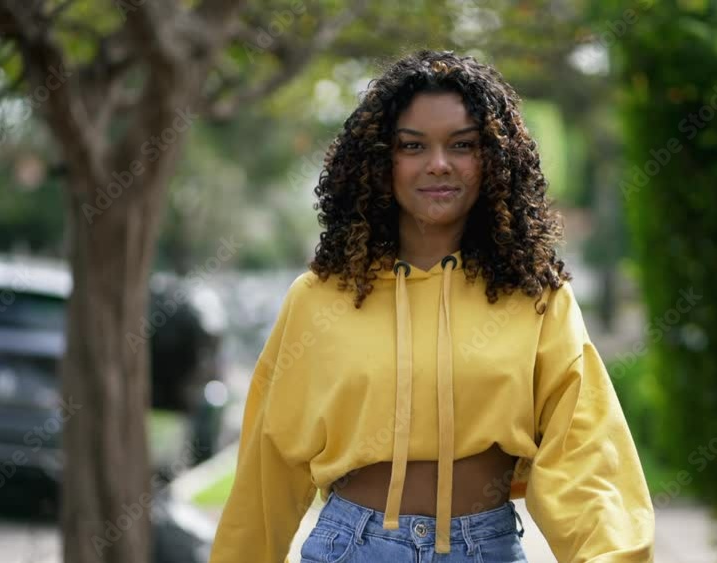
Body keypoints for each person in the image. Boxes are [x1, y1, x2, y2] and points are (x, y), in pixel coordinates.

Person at [208, 50, 654, 563]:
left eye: (461, 145)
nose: (438, 164)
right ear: (381, 159)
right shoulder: (319, 298)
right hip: (349, 547)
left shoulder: (537, 296)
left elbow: (585, 454)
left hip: (485, 548)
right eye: (412, 146)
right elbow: (269, 468)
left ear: (492, 159)